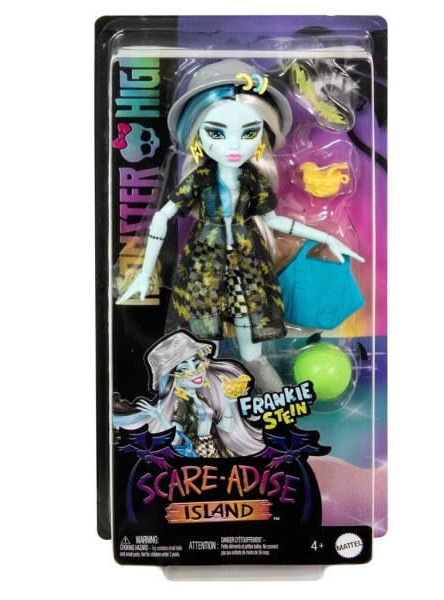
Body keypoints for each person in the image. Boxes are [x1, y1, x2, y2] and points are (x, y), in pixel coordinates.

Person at [118, 59, 363, 391]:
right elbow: (162, 217)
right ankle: (203, 398)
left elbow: (275, 221)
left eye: (248, 133)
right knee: (202, 338)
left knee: (251, 345)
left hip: (247, 268)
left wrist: (327, 237)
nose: (234, 146)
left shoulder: (251, 181)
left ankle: (268, 392)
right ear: (196, 134)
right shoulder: (200, 180)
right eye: (216, 133)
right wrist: (145, 273)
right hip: (205, 266)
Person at [113, 330, 263, 458]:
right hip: (197, 453)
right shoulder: (182, 404)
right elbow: (174, 439)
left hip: (214, 451)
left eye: (197, 365)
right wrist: (160, 417)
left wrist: (229, 403)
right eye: (184, 369)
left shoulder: (204, 399)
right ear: (171, 377)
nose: (195, 372)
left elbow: (227, 427)